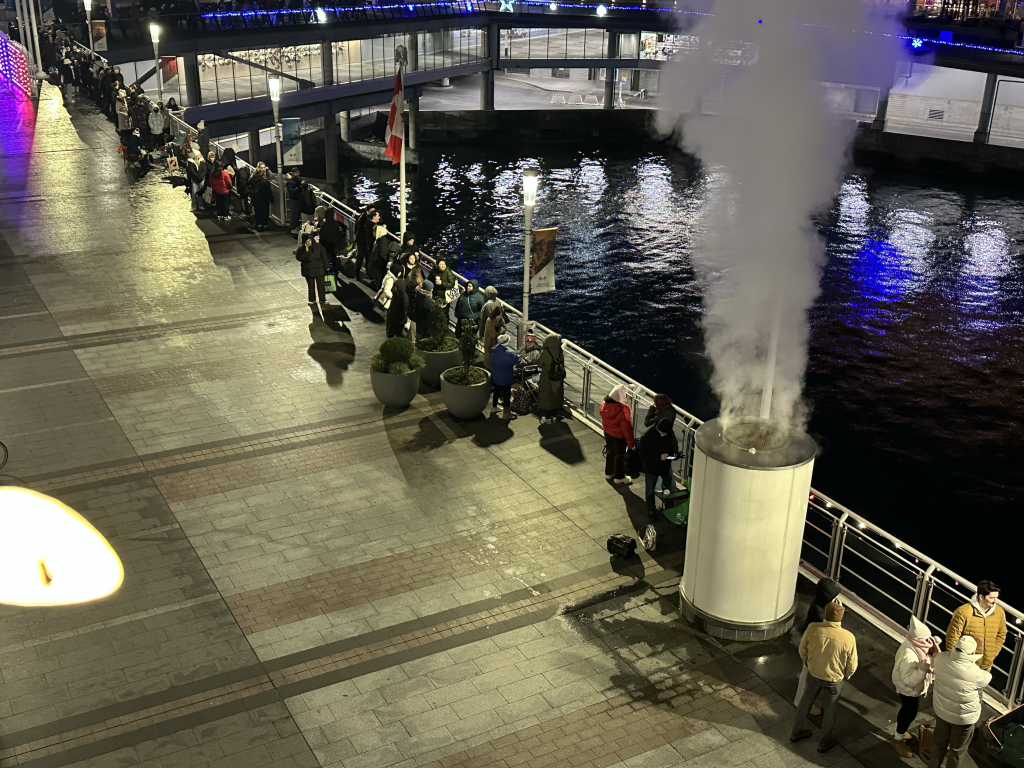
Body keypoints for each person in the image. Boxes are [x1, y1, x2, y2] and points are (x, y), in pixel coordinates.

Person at [791, 602, 858, 754]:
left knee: (805, 702)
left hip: (813, 673)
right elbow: (852, 664)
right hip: (834, 680)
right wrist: (846, 674)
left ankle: (796, 732)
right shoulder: (848, 638)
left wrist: (809, 664)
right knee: (830, 709)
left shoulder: (813, 628)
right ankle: (824, 742)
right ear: (841, 617)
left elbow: (802, 650)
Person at [929, 635, 991, 768]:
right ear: (972, 653)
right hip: (964, 719)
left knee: (938, 745)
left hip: (942, 712)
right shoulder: (975, 673)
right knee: (957, 751)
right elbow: (987, 678)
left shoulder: (940, 659)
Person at [891, 616, 942, 758]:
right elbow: (908, 680)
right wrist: (923, 670)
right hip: (908, 690)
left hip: (911, 690)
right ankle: (897, 738)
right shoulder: (909, 655)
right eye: (926, 640)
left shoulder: (915, 646)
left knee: (908, 711)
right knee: (909, 712)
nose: (929, 642)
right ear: (918, 640)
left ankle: (899, 734)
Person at [795, 577, 842, 715]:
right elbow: (831, 629)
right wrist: (837, 614)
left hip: (814, 646)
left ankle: (808, 701)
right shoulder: (819, 613)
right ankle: (801, 703)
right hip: (814, 649)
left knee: (809, 676)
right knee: (807, 676)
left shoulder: (819, 606)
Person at [946, 580, 1006, 671]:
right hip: (964, 664)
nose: (995, 601)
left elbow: (1001, 634)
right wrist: (956, 659)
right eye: (992, 598)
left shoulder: (999, 612)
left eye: (996, 598)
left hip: (986, 665)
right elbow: (952, 638)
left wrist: (993, 653)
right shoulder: (963, 612)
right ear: (981, 597)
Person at [639, 418, 676, 514]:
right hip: (651, 468)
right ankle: (651, 510)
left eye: (666, 434)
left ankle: (669, 508)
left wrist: (674, 454)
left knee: (669, 489)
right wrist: (658, 457)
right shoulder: (646, 436)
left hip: (665, 467)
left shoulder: (668, 432)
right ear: (658, 429)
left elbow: (672, 445)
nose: (664, 435)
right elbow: (643, 455)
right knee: (650, 491)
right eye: (663, 433)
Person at [600, 384, 635, 484]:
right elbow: (626, 429)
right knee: (620, 455)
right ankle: (619, 477)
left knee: (610, 452)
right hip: (619, 436)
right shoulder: (622, 410)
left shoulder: (604, 404)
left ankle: (609, 472)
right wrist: (630, 443)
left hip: (607, 432)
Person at [295, 234, 330, 313]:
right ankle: (312, 299)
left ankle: (322, 299)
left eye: (310, 240)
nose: (309, 242)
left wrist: (327, 266)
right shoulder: (302, 249)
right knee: (311, 286)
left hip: (319, 269)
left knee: (321, 285)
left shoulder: (319, 246)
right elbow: (300, 258)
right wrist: (306, 249)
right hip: (309, 271)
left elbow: (324, 256)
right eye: (307, 241)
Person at [536, 333, 565, 423]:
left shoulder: (546, 352)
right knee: (556, 395)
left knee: (547, 397)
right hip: (558, 378)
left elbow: (539, 363)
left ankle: (547, 418)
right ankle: (554, 416)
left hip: (547, 377)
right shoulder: (560, 350)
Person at [490, 334, 519, 419]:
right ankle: (506, 413)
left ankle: (494, 407)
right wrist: (516, 356)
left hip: (496, 375)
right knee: (506, 395)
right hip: (505, 377)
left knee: (497, 391)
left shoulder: (495, 349)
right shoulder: (507, 354)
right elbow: (515, 359)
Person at [368, 219, 397, 290]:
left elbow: (383, 254)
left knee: (380, 282)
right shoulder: (379, 239)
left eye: (375, 231)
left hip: (379, 266)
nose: (373, 233)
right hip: (377, 265)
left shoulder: (382, 240)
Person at [354, 205, 377, 279]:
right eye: (371, 211)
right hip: (362, 241)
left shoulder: (366, 218)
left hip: (367, 241)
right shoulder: (363, 220)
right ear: (367, 211)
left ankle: (368, 273)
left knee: (368, 258)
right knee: (360, 257)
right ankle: (357, 273)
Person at [249, 163, 272, 230]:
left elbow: (272, 176)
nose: (263, 169)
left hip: (258, 197)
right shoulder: (262, 180)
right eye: (262, 168)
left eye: (264, 167)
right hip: (262, 197)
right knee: (263, 211)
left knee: (259, 211)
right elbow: (268, 189)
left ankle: (260, 224)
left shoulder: (254, 178)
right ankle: (263, 224)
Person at [482, 304, 505, 369]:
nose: (500, 317)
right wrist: (501, 331)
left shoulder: (501, 320)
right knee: (488, 357)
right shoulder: (489, 320)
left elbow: (505, 327)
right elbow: (493, 334)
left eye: (501, 315)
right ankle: (487, 369)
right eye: (498, 315)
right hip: (489, 342)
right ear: (495, 314)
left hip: (497, 342)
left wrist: (501, 330)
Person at [286, 168, 303, 232]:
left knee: (297, 214)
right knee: (294, 214)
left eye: (298, 173)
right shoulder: (290, 181)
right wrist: (299, 188)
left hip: (298, 198)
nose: (297, 174)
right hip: (294, 199)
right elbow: (291, 191)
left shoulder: (298, 180)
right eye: (296, 173)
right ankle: (293, 227)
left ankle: (295, 226)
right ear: (293, 173)